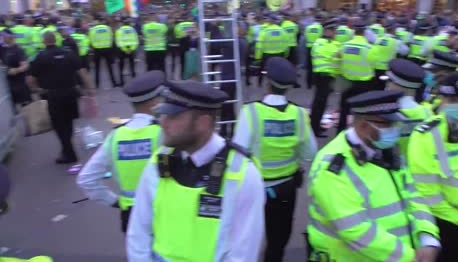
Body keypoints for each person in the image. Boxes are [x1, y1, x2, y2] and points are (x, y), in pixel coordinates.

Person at [127, 81, 265, 261]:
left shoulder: (242, 173)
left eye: (173, 117)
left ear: (203, 123)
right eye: (163, 115)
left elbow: (243, 253)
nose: (163, 123)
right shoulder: (158, 162)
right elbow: (139, 233)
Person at [307, 90, 440, 262]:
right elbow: (355, 230)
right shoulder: (334, 166)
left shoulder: (387, 152)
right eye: (387, 125)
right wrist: (410, 257)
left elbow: (414, 195)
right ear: (363, 126)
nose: (395, 130)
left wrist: (427, 237)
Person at [232, 57, 317, 262]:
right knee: (278, 241)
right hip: (286, 188)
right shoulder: (299, 114)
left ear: (267, 81)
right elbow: (310, 153)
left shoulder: (250, 112)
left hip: (254, 188)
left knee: (245, 239)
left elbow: (237, 155)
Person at [77, 71, 164, 233]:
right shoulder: (163, 132)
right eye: (162, 99)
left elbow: (86, 179)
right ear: (154, 102)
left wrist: (114, 201)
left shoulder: (115, 136)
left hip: (131, 214)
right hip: (162, 211)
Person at [408, 71, 458, 262]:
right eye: (455, 99)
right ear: (442, 100)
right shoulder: (426, 135)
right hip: (447, 222)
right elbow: (426, 192)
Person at [27, 32, 95, 164]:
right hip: (71, 92)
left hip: (53, 94)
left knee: (58, 124)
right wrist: (90, 89)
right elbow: (83, 73)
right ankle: (67, 150)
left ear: (44, 42)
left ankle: (69, 152)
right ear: (56, 40)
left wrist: (37, 90)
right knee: (68, 121)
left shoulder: (40, 57)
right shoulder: (68, 53)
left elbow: (30, 79)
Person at [383, 59, 433, 156]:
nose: (387, 85)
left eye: (389, 81)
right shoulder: (428, 112)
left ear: (398, 85)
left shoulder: (385, 113)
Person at [337, 20, 377, 134]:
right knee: (362, 111)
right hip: (364, 83)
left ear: (354, 31)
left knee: (344, 109)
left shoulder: (345, 45)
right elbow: (375, 63)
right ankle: (359, 133)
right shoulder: (369, 48)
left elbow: (338, 57)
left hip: (347, 81)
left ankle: (340, 131)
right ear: (364, 32)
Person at [310, 18, 340, 137]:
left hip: (318, 75)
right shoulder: (334, 45)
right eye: (334, 31)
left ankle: (315, 125)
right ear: (328, 31)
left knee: (318, 103)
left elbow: (313, 56)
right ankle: (315, 129)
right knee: (320, 103)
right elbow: (337, 61)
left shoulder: (317, 43)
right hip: (327, 77)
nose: (335, 33)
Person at [0, 30, 31, 110]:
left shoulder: (18, 50)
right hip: (9, 86)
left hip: (20, 85)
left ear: (10, 37)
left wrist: (16, 70)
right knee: (13, 111)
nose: (2, 38)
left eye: (3, 36)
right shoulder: (4, 50)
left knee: (26, 110)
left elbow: (25, 66)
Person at [89, 17, 117, 88]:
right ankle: (114, 83)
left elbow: (91, 40)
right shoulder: (108, 28)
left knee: (97, 68)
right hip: (107, 49)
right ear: (103, 21)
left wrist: (94, 47)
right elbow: (112, 38)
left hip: (97, 50)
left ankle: (97, 84)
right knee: (110, 68)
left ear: (97, 21)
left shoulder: (93, 29)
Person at [116, 17, 139, 86]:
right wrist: (131, 49)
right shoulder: (133, 30)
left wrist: (125, 50)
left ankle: (122, 82)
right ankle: (134, 81)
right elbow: (136, 40)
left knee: (121, 66)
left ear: (122, 23)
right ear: (129, 23)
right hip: (131, 50)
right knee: (132, 66)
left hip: (122, 50)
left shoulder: (119, 30)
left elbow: (118, 41)